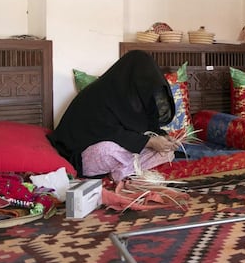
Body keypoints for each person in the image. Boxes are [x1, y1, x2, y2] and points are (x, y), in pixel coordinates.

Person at [48, 50, 178, 181]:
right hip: (85, 154)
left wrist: (163, 139)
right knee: (106, 150)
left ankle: (122, 171)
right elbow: (107, 133)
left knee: (167, 152)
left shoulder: (137, 97)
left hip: (124, 151)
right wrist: (149, 142)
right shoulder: (98, 95)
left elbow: (148, 126)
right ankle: (126, 170)